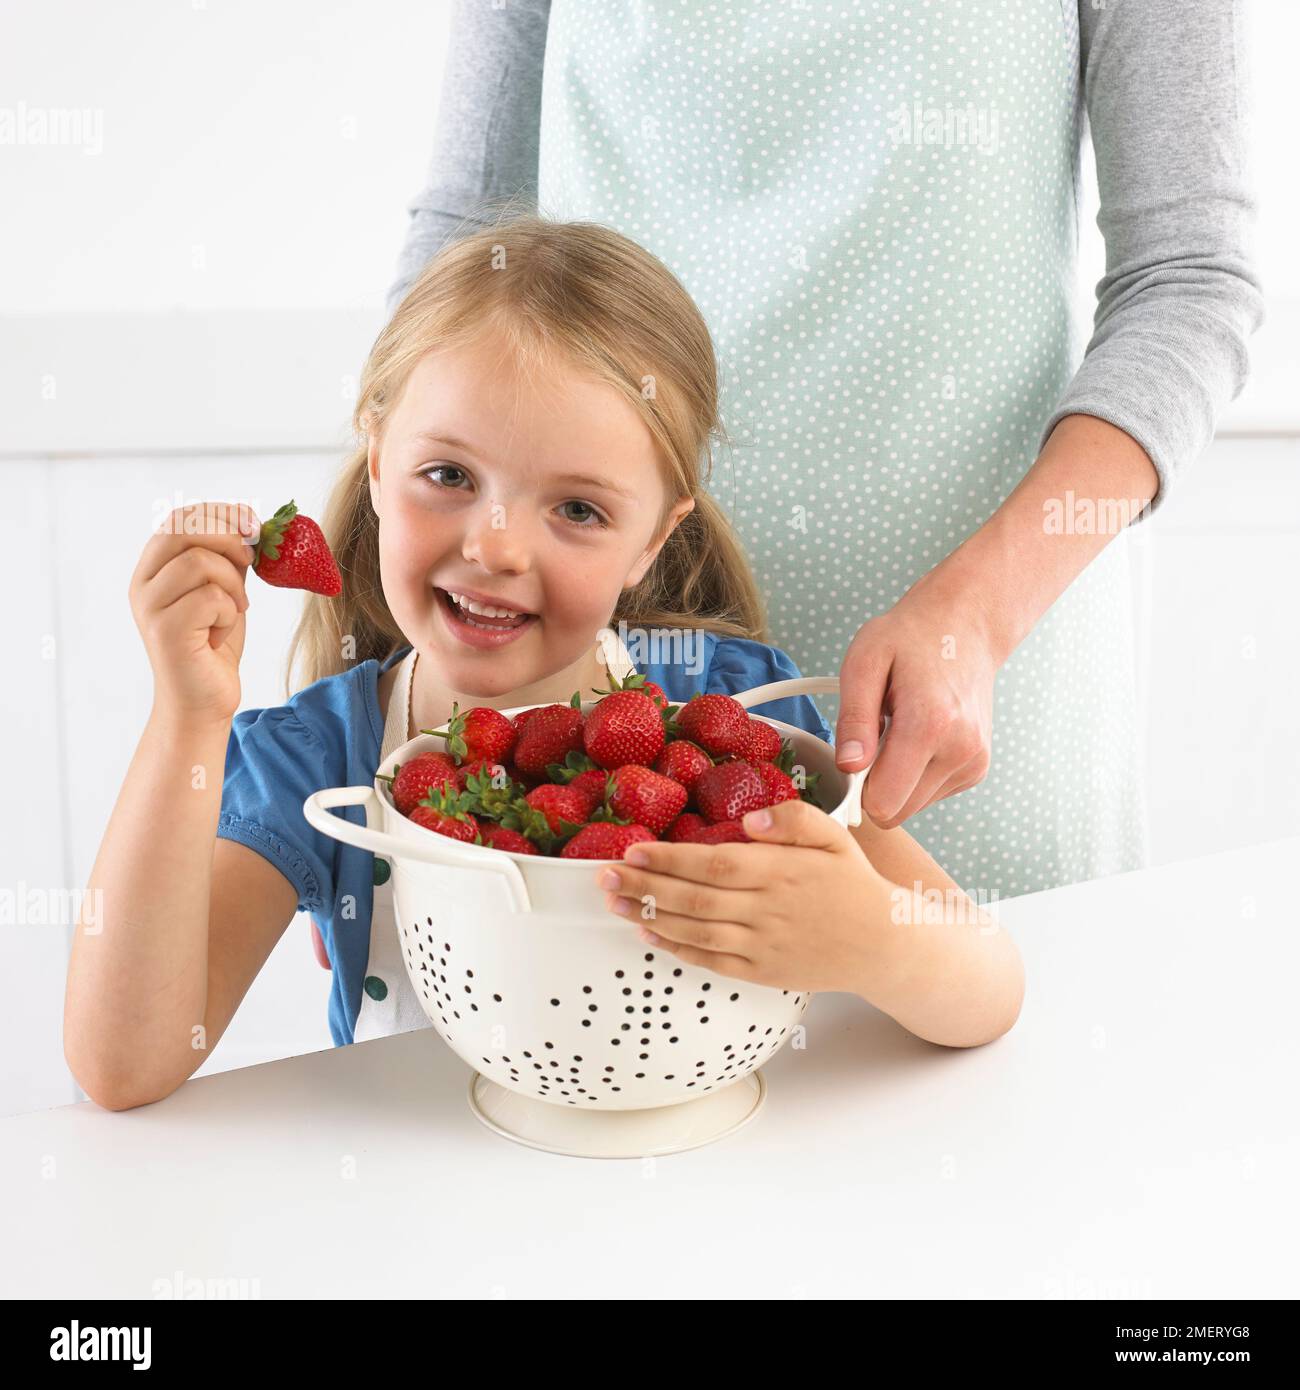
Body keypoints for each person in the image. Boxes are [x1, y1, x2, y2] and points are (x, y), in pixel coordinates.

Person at [64, 217, 1023, 1111]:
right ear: (377, 459)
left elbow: (988, 993)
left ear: (653, 540)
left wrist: (875, 942)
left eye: (577, 510)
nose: (497, 548)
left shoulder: (723, 711)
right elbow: (124, 1064)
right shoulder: (321, 755)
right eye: (448, 476)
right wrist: (186, 714)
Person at [388, 0, 1263, 898]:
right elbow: (469, 235)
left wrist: (979, 616)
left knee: (958, 991)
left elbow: (1190, 279)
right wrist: (386, 693)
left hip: (967, 695)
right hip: (572, 665)